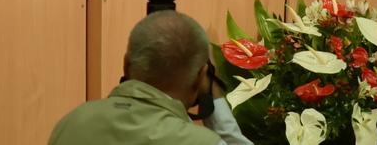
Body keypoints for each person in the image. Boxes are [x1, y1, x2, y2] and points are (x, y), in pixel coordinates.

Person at [48, 10, 250, 145]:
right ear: (201, 77)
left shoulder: (72, 123)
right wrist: (214, 94)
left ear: (126, 64)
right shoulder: (198, 141)